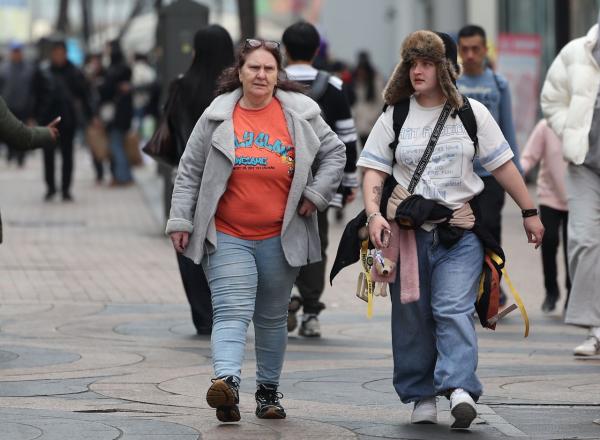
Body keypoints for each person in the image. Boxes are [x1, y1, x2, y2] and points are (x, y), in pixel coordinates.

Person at [357, 30, 543, 430]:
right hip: (407, 234)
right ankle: (421, 395)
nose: (417, 71)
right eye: (412, 63)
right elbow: (373, 167)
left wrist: (529, 210)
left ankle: (459, 387)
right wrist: (374, 213)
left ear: (445, 68)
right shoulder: (396, 114)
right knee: (411, 316)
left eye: (426, 63)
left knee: (452, 308)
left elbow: (503, 164)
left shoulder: (473, 113)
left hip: (460, 234)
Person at [166, 38, 345, 422]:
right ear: (239, 72)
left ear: (278, 74)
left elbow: (336, 153)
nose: (261, 75)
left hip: (282, 236)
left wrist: (317, 193)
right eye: (253, 68)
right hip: (227, 232)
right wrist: (180, 220)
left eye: (269, 68)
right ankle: (226, 383)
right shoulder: (216, 116)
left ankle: (267, 393)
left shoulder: (301, 113)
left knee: (271, 317)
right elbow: (189, 172)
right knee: (230, 310)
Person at [282, 20, 359, 337]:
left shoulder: (275, 84)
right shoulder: (334, 86)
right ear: (316, 50)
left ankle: (285, 297)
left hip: (280, 180)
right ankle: (311, 311)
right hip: (321, 183)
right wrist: (349, 181)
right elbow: (347, 137)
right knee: (317, 242)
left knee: (278, 239)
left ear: (284, 50)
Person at [165, 24, 235, 335]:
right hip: (230, 178)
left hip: (188, 175)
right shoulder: (234, 93)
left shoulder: (182, 86)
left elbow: (170, 127)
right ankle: (226, 310)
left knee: (188, 241)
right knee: (228, 243)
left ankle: (203, 315)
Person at [541, 13, 600, 356]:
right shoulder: (576, 53)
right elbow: (551, 100)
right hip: (584, 166)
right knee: (583, 240)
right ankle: (595, 328)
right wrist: (570, 131)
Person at [457, 25, 523, 305]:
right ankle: (468, 288)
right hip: (459, 177)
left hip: (492, 175)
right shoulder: (453, 84)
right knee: (462, 234)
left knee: (491, 231)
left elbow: (508, 128)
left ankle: (493, 287)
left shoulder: (499, 83)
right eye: (465, 49)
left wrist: (515, 173)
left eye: (476, 49)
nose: (470, 55)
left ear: (485, 50)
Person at [520, 119, 570, 313]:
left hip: (577, 199)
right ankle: (551, 292)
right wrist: (517, 172)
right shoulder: (546, 126)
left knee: (572, 249)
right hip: (550, 195)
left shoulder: (586, 123)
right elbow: (529, 156)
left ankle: (571, 295)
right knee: (548, 242)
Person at [40, 39, 92, 201]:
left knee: (67, 156)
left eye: (61, 53)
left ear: (65, 53)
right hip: (48, 120)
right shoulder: (44, 72)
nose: (58, 56)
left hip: (68, 120)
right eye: (56, 53)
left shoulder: (75, 72)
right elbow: (36, 96)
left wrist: (90, 115)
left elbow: (85, 95)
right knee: (48, 156)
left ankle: (66, 189)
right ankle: (50, 188)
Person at [98, 40, 134, 186]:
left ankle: (123, 177)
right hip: (125, 113)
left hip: (115, 114)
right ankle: (123, 175)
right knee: (120, 144)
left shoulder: (112, 71)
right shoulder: (127, 70)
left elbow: (105, 91)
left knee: (116, 145)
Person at [0, 42, 36, 167]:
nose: (16, 54)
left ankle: (21, 156)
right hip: (8, 106)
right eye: (14, 52)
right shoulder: (3, 68)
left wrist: (32, 107)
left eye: (18, 52)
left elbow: (33, 89)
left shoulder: (29, 69)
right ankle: (10, 153)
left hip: (24, 106)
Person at [352, 50, 385, 147]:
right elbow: (355, 102)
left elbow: (381, 103)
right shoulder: (355, 81)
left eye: (363, 70)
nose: (361, 73)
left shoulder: (376, 81)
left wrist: (371, 119)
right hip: (358, 126)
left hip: (371, 126)